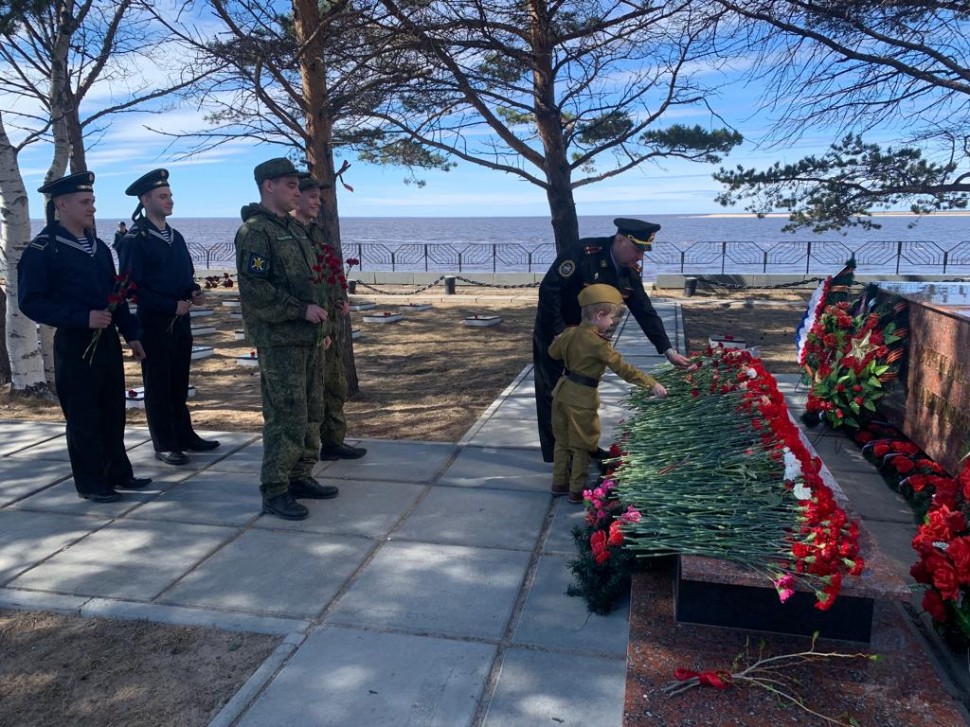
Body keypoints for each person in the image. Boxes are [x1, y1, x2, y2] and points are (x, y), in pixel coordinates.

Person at [17, 171, 151, 503]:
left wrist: (131, 334)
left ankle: (118, 472)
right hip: (74, 344)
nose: (92, 208)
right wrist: (80, 318)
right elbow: (31, 301)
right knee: (83, 415)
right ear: (61, 205)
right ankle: (91, 482)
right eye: (85, 202)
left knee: (112, 410)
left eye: (92, 201)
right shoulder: (43, 250)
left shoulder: (99, 247)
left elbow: (114, 295)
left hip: (105, 342)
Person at [533, 217, 691, 463]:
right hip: (558, 334)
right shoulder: (584, 253)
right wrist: (560, 331)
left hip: (590, 340)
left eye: (643, 251)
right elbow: (550, 289)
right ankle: (560, 456)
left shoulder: (628, 270)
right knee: (553, 393)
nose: (640, 256)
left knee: (584, 392)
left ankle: (585, 448)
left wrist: (667, 349)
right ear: (619, 240)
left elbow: (643, 308)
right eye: (637, 249)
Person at [235, 158, 338, 521]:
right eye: (291, 185)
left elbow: (314, 285)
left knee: (311, 412)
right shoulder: (256, 232)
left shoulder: (294, 230)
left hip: (307, 339)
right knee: (285, 416)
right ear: (269, 186)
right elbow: (255, 290)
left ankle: (300, 476)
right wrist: (300, 311)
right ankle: (275, 489)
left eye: (298, 186)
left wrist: (320, 328)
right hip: (280, 341)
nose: (298, 191)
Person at [119, 168, 220, 466]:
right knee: (159, 384)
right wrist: (167, 305)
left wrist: (194, 291)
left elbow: (184, 275)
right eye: (163, 196)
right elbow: (130, 287)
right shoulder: (136, 239)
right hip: (154, 322)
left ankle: (184, 435)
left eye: (170, 195)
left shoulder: (175, 237)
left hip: (181, 320)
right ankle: (164, 442)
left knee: (178, 381)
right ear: (145, 199)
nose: (169, 201)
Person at [548, 284, 668, 502]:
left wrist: (562, 340)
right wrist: (651, 384)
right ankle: (576, 490)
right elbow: (624, 369)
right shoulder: (599, 344)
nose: (612, 322)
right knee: (583, 444)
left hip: (561, 392)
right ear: (599, 315)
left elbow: (552, 353)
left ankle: (558, 483)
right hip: (582, 398)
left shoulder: (570, 333)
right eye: (611, 317)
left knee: (562, 441)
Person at [290, 174, 367, 462]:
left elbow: (330, 271)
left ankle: (333, 441)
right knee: (313, 392)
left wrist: (340, 297)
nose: (317, 203)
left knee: (335, 384)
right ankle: (305, 455)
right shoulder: (291, 235)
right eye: (312, 197)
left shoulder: (318, 233)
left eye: (319, 199)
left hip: (331, 320)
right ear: (297, 198)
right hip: (310, 324)